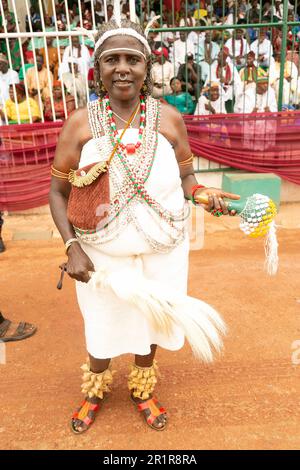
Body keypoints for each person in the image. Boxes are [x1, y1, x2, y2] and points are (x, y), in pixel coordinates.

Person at [49, 19, 239, 435]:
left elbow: (188, 178)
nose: (122, 68)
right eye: (111, 59)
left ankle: (142, 387)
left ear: (147, 67)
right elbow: (58, 192)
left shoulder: (170, 119)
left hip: (164, 249)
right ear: (97, 69)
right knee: (102, 322)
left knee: (153, 320)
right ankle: (95, 388)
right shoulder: (80, 124)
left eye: (132, 59)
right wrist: (70, 247)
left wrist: (202, 194)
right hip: (100, 254)